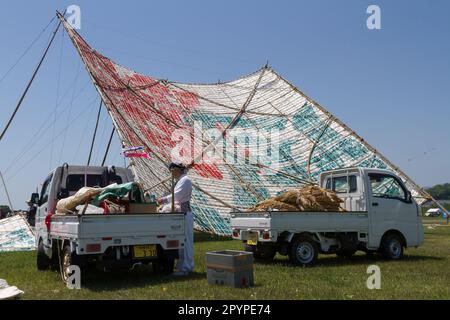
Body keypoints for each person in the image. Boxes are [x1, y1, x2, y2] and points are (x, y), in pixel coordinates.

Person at [157, 161, 194, 276]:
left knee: (186, 242)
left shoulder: (185, 180)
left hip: (185, 214)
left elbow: (177, 196)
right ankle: (181, 266)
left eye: (172, 171)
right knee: (181, 243)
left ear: (176, 170)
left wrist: (163, 200)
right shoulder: (181, 181)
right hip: (180, 215)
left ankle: (186, 268)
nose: (171, 174)